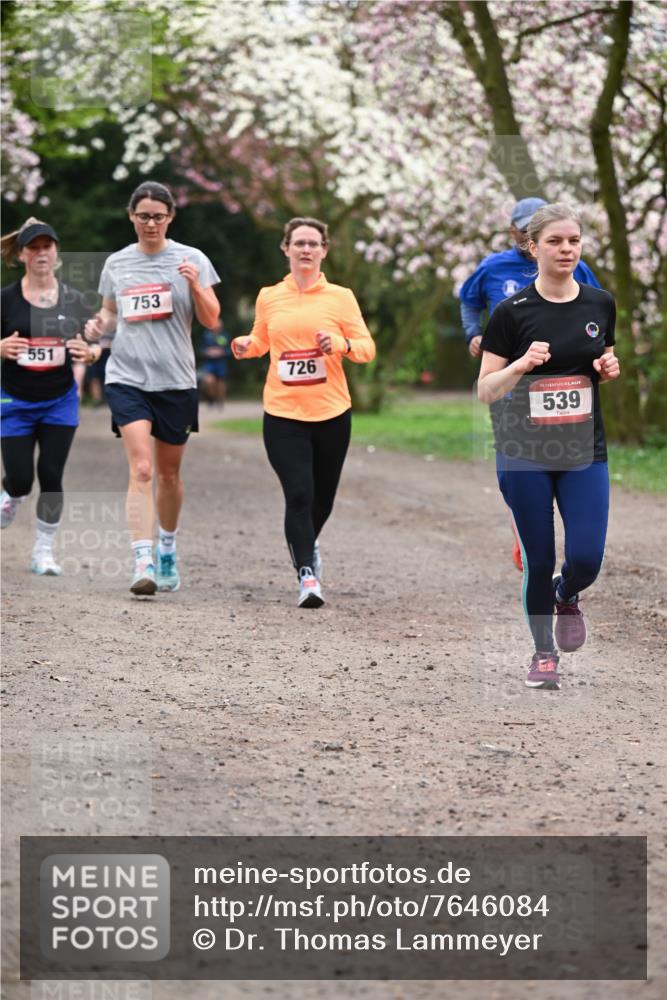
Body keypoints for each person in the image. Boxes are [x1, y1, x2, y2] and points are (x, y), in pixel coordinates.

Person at [477, 203, 620, 691]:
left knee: (586, 559)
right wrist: (519, 366)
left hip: (584, 452)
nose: (566, 249)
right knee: (537, 559)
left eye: (574, 241)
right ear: (532, 247)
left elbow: (601, 357)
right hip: (523, 453)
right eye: (555, 241)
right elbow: (485, 389)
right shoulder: (511, 313)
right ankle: (543, 654)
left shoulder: (600, 304)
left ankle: (568, 593)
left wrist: (607, 368)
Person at [232, 216, 376, 608]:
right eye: (299, 243)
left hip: (331, 412)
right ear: (286, 249)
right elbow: (262, 339)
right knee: (298, 494)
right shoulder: (269, 296)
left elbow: (366, 347)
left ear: (324, 250)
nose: (306, 250)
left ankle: (306, 545)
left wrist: (341, 343)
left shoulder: (341, 297)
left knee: (322, 499)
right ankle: (307, 576)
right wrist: (246, 344)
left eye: (314, 243)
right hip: (282, 413)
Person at [85, 181, 220, 596]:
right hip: (127, 377)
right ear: (132, 217)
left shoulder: (191, 258)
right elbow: (109, 313)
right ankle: (141, 558)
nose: (150, 224)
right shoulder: (118, 264)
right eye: (143, 216)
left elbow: (211, 319)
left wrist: (195, 284)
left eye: (158, 217)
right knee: (142, 468)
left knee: (169, 473)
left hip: (176, 380)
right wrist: (97, 327)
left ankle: (166, 547)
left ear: (171, 218)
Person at [460, 196, 601, 571]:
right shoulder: (493, 267)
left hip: (563, 387)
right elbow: (468, 300)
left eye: (571, 240)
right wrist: (474, 333)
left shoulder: (578, 268)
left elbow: (597, 310)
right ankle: (527, 528)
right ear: (518, 235)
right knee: (520, 460)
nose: (564, 248)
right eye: (524, 229)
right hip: (509, 379)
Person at [1, 218, 99, 574]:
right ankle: (10, 495)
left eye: (48, 246)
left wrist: (90, 353)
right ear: (23, 254)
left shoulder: (73, 299)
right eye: (34, 247)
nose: (41, 253)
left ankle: (43, 550)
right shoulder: (6, 299)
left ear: (56, 253)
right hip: (14, 400)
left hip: (59, 400)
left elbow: (94, 342)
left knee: (51, 474)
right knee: (20, 478)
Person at [200, 324, 231, 407]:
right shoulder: (206, 335)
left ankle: (220, 401)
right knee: (208, 381)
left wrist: (222, 352)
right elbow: (201, 349)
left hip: (221, 362)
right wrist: (207, 352)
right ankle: (211, 398)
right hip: (210, 362)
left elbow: (229, 350)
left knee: (221, 383)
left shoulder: (224, 336)